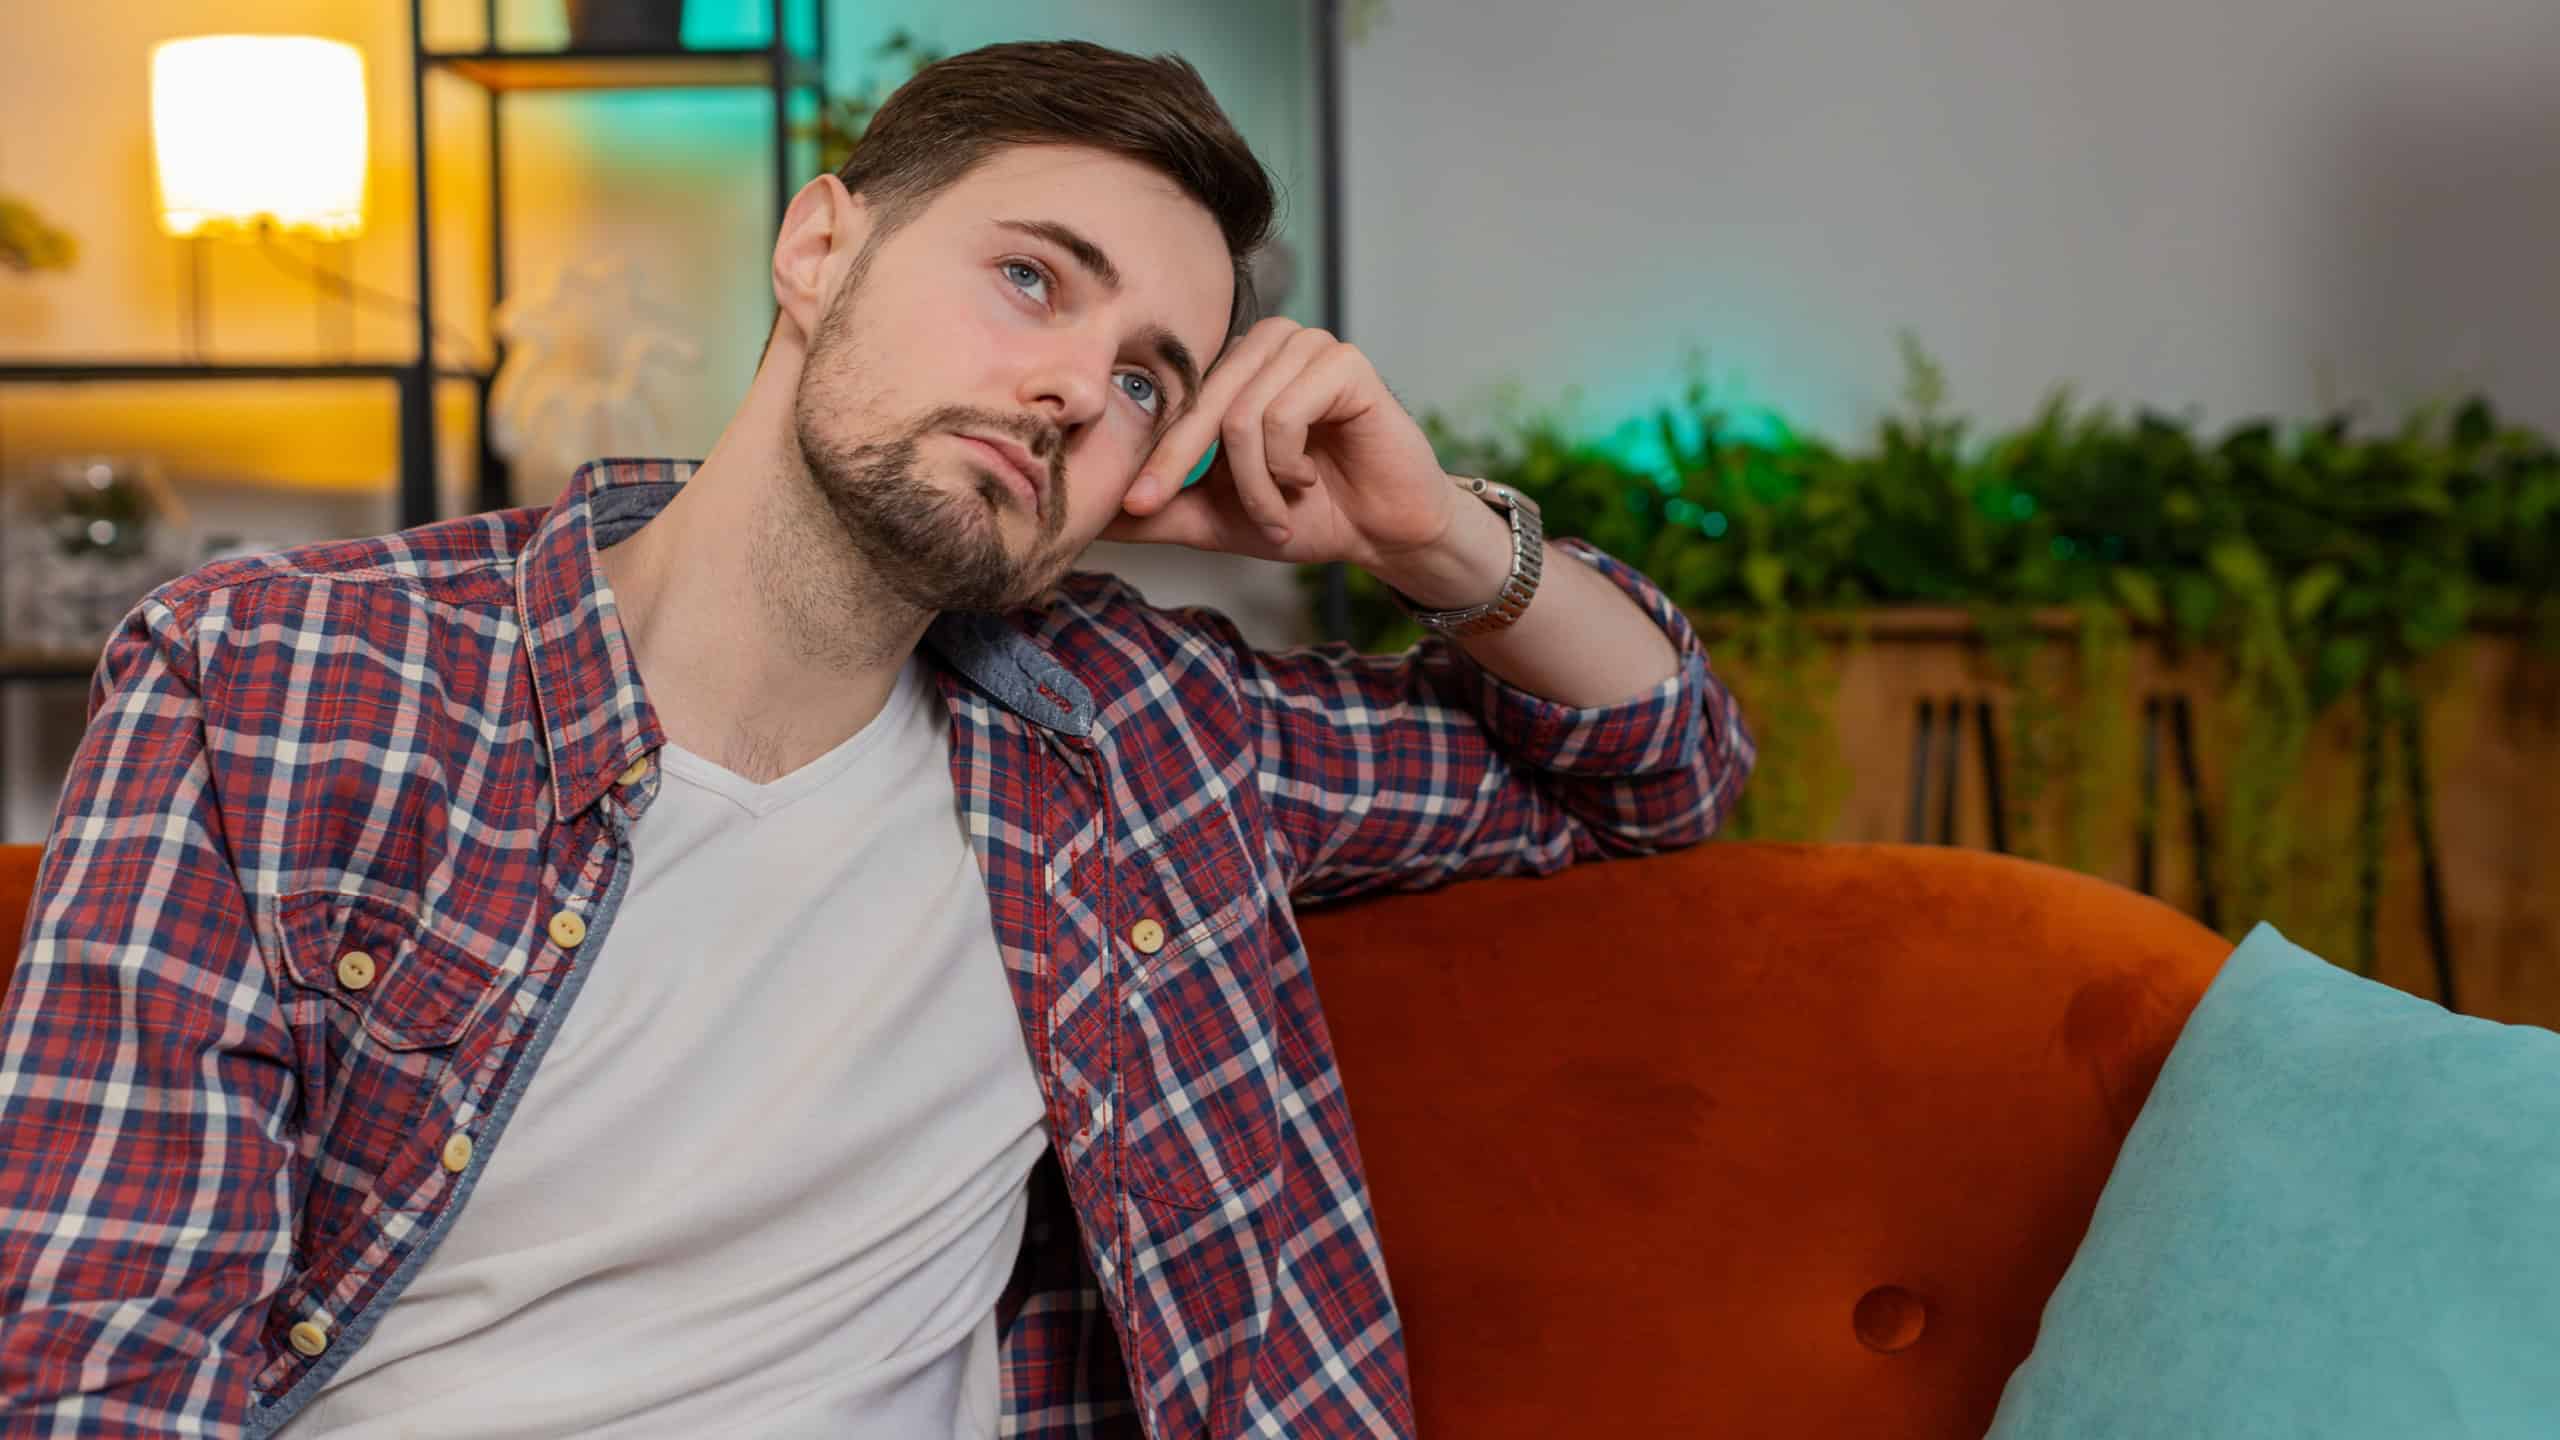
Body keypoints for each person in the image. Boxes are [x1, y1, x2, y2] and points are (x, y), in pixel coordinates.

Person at [0, 38, 1752, 1440]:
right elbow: (99, 1364)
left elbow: (1658, 772)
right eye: (1029, 280)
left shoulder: (1149, 736)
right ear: (819, 246)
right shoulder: (281, 679)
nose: (1078, 386)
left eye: (1150, 375)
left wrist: (1428, 532)